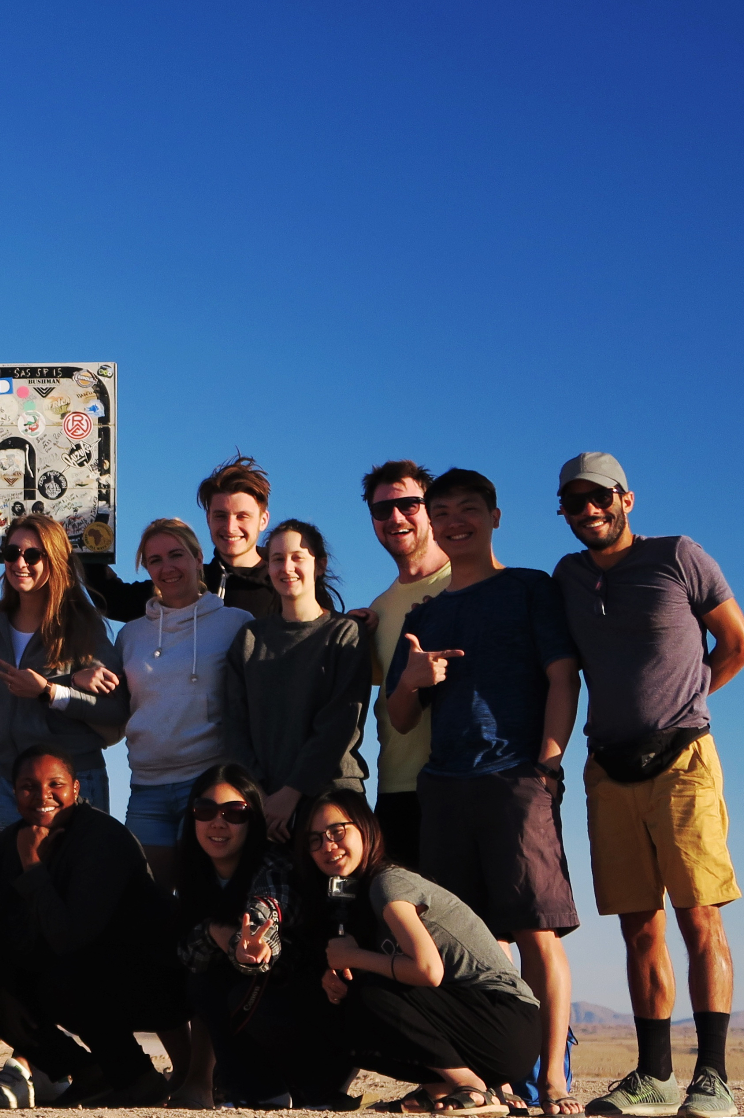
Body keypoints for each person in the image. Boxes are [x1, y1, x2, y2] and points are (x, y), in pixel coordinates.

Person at [549, 453, 744, 1118]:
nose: (588, 510)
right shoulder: (568, 576)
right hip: (607, 768)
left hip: (683, 762)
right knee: (638, 926)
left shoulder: (678, 556)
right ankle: (655, 1075)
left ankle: (715, 1078)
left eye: (598, 498)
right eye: (573, 503)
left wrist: (685, 704)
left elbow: (738, 644)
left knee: (699, 915)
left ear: (626, 498)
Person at [383, 467, 581, 1113]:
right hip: (444, 788)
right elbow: (402, 716)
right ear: (432, 525)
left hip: (515, 779)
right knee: (465, 945)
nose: (454, 520)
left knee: (535, 934)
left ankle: (552, 1078)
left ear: (496, 516)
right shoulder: (426, 614)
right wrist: (413, 678)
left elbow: (562, 676)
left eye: (469, 508)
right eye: (443, 512)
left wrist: (546, 766)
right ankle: (484, 1079)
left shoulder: (529, 588)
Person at [302, 790, 541, 1115]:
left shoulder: (388, 883)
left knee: (369, 993)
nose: (327, 846)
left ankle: (470, 1086)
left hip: (507, 1021)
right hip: (485, 1029)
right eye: (315, 839)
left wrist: (353, 958)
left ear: (366, 829)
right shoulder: (359, 901)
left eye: (337, 832)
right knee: (346, 1010)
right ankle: (442, 1087)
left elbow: (429, 970)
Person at [0, 745, 186, 1110]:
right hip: (78, 970)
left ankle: (136, 1077)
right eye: (28, 786)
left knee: (65, 975)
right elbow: (2, 932)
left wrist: (33, 867)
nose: (43, 796)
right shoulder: (9, 842)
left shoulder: (101, 838)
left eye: (55, 784)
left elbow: (71, 938)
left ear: (75, 789)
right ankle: (90, 1073)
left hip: (157, 981)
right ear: (14, 792)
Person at [80, 518, 252, 887]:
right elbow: (114, 704)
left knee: (205, 899)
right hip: (147, 789)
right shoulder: (131, 634)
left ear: (198, 558)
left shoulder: (236, 623)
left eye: (176, 555)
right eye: (154, 559)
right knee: (142, 899)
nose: (167, 567)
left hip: (210, 787)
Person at [174, 763, 350, 1109]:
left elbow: (271, 906)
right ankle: (250, 1088)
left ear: (254, 818)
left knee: (240, 985)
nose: (218, 822)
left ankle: (289, 1086)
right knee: (203, 980)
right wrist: (215, 932)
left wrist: (254, 940)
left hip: (309, 1012)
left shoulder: (274, 864)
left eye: (235, 812)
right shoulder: (196, 875)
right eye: (205, 810)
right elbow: (185, 953)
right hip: (256, 1015)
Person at [221, 520, 371, 841]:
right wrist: (260, 796)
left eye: (297, 557)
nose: (286, 567)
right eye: (277, 558)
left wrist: (292, 793)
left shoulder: (345, 634)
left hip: (332, 801)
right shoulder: (249, 639)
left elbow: (340, 725)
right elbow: (233, 725)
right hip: (264, 809)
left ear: (320, 565)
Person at [0, 513, 125, 835]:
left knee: (76, 881)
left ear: (56, 560)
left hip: (74, 779)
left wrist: (52, 689)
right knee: (9, 880)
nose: (20, 562)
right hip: (10, 780)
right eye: (12, 553)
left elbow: (116, 711)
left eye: (32, 555)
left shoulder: (82, 624)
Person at [351, 461, 452, 867]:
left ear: (430, 508)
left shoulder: (465, 582)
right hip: (395, 789)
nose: (395, 517)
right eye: (381, 510)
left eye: (410, 504)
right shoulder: (378, 609)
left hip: (462, 783)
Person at [85, 455, 281, 623]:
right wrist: (80, 541)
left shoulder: (284, 582)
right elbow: (113, 600)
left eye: (242, 516)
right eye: (220, 516)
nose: (230, 527)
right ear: (208, 518)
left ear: (263, 520)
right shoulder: (185, 581)